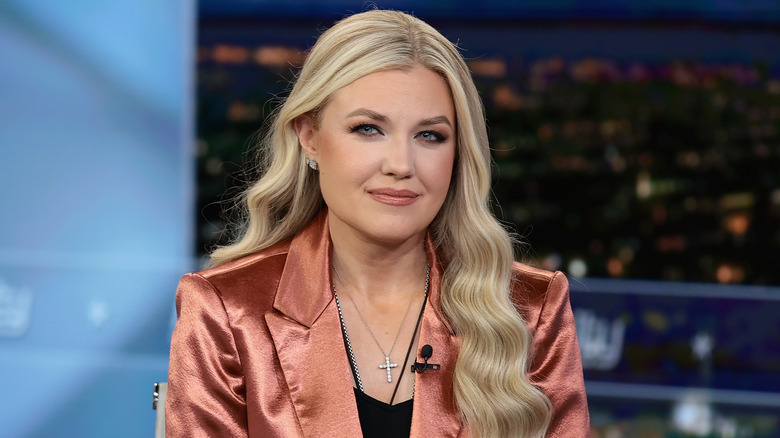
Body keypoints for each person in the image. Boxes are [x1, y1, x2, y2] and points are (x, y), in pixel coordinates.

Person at [166, 9, 589, 438]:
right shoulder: (227, 311)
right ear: (309, 137)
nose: (401, 165)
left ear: (459, 152)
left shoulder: (530, 309)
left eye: (430, 136)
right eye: (369, 129)